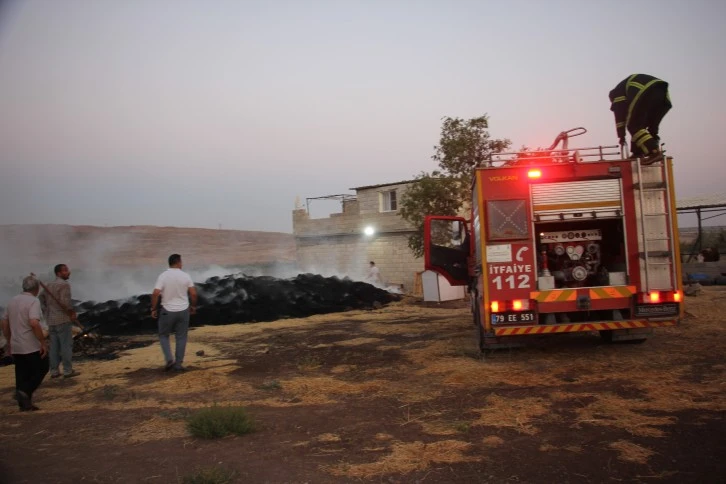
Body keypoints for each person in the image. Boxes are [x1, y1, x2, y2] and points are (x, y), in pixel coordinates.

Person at [1, 276, 49, 411]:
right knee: (43, 366)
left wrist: (9, 340)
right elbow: (34, 322)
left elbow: (4, 322)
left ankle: (24, 404)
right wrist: (42, 342)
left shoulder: (12, 300)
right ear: (37, 288)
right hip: (30, 344)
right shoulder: (33, 301)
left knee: (22, 372)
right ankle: (24, 392)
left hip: (16, 343)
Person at [609, 73, 672, 164]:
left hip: (646, 91)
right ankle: (638, 153)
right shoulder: (624, 89)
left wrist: (621, 136)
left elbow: (620, 115)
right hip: (663, 96)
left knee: (634, 126)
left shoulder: (617, 93)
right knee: (647, 128)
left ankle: (654, 152)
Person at [151, 254, 197, 372]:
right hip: (183, 310)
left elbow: (156, 293)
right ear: (178, 262)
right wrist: (193, 306)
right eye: (181, 262)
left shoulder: (163, 276)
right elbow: (193, 294)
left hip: (167, 310)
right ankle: (178, 364)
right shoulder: (185, 276)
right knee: (181, 337)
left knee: (163, 335)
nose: (182, 264)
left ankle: (169, 359)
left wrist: (153, 309)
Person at [38, 264, 80, 379]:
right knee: (66, 345)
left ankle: (54, 371)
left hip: (51, 320)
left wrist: (46, 310)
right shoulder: (64, 285)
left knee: (54, 347)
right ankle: (67, 370)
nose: (68, 272)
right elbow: (66, 303)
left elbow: (41, 298)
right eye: (65, 270)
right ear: (58, 273)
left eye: (67, 270)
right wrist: (71, 313)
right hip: (62, 319)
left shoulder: (48, 284)